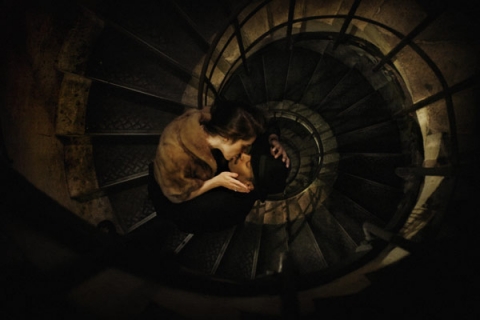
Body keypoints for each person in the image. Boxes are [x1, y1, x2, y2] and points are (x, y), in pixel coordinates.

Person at [147, 122, 291, 233]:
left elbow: (171, 209)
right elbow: (261, 122)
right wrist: (273, 138)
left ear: (248, 185)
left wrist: (212, 183)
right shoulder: (235, 161)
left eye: (248, 165)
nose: (243, 155)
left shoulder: (220, 205)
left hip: (164, 195)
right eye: (251, 154)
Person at [152, 100, 266, 204]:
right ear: (227, 137)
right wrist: (216, 182)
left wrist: (272, 138)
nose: (244, 153)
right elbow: (177, 196)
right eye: (244, 146)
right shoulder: (177, 157)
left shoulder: (219, 120)